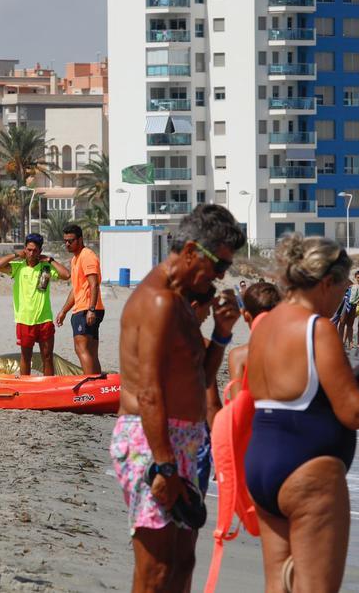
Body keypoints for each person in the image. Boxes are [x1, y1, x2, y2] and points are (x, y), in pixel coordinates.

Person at [245, 234, 359, 591]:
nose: (344, 295)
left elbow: (292, 389)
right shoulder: (317, 327)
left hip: (262, 465)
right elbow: (353, 413)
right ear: (327, 282)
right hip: (308, 471)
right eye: (343, 286)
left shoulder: (264, 326)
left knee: (277, 586)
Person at [112, 204, 245, 592]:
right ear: (190, 251)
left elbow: (199, 377)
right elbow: (149, 391)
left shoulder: (181, 302)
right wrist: (166, 467)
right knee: (155, 569)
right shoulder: (157, 301)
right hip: (152, 441)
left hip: (182, 441)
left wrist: (221, 334)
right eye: (218, 266)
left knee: (182, 562)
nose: (220, 276)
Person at [0, 234, 70, 377]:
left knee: (47, 357)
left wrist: (50, 260)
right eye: (29, 250)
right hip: (24, 320)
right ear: (25, 249)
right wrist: (16, 254)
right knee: (25, 357)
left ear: (40, 251)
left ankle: (49, 387)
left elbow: (66, 275)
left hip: (45, 319)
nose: (31, 253)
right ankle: (25, 384)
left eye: (35, 250)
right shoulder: (18, 267)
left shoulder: (46, 267)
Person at [55, 224, 106, 375]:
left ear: (80, 239)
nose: (67, 244)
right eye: (65, 241)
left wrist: (90, 310)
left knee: (81, 349)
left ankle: (91, 383)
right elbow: (76, 289)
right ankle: (97, 384)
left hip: (87, 309)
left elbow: (94, 284)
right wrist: (64, 311)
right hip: (85, 308)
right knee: (90, 351)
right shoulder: (75, 259)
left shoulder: (87, 255)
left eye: (71, 241)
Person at [339, 272, 359, 349]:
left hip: (354, 306)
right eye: (358, 277)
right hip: (346, 305)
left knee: (350, 325)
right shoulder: (351, 284)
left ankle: (350, 342)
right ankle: (340, 341)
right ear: (355, 277)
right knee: (342, 322)